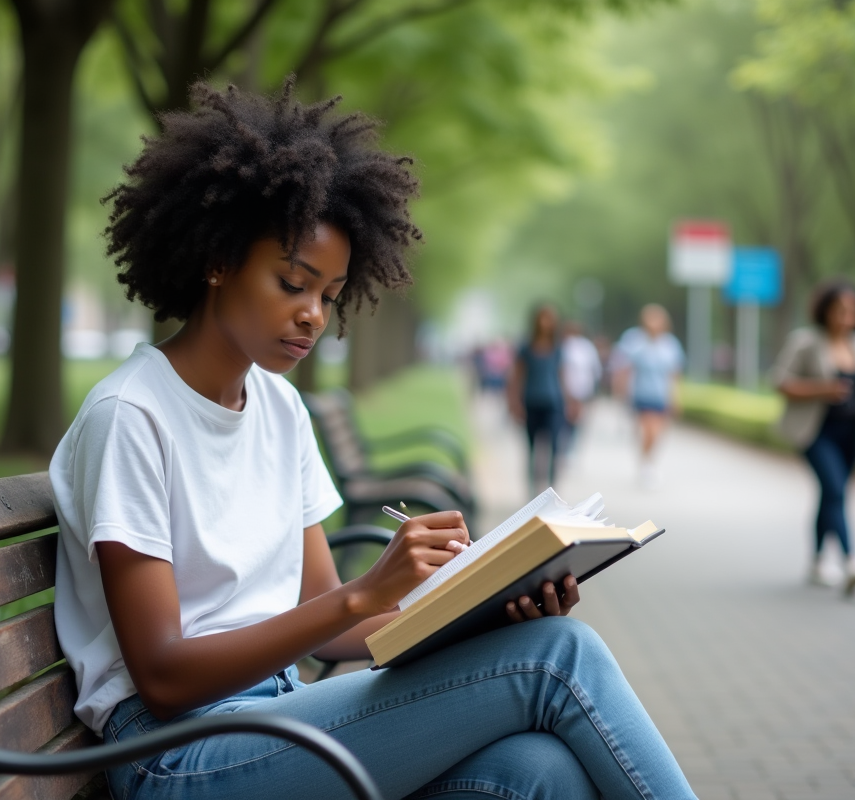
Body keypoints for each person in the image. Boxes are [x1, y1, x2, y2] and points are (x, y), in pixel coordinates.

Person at [50, 79, 696, 800]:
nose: (313, 316)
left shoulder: (279, 408)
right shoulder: (131, 417)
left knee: (538, 772)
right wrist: (364, 595)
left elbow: (328, 628)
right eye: (292, 283)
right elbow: (166, 678)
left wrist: (482, 614)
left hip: (272, 719)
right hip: (176, 758)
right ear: (218, 260)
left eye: (328, 295)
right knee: (558, 658)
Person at [772, 280, 855, 595]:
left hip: (852, 436)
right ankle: (852, 561)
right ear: (824, 310)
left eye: (852, 310)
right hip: (816, 433)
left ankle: (815, 563)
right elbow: (780, 382)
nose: (845, 316)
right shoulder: (806, 342)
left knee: (831, 497)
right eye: (839, 309)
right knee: (834, 489)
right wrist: (822, 389)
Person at [614, 305, 684, 486]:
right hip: (641, 393)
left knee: (658, 432)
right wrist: (622, 392)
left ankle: (647, 460)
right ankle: (646, 465)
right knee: (648, 430)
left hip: (661, 394)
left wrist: (675, 397)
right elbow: (625, 368)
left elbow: (674, 375)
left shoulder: (670, 344)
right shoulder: (634, 341)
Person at [506, 305, 570, 492]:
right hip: (531, 402)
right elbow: (517, 376)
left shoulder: (557, 348)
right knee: (532, 449)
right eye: (543, 318)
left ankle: (552, 488)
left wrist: (568, 400)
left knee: (555, 447)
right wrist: (514, 402)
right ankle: (534, 488)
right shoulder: (526, 348)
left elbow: (561, 376)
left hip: (553, 403)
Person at [561, 320, 602, 453]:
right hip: (567, 388)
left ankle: (569, 445)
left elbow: (595, 369)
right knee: (568, 416)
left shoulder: (585, 347)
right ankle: (566, 444)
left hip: (580, 389)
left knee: (575, 418)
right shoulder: (563, 346)